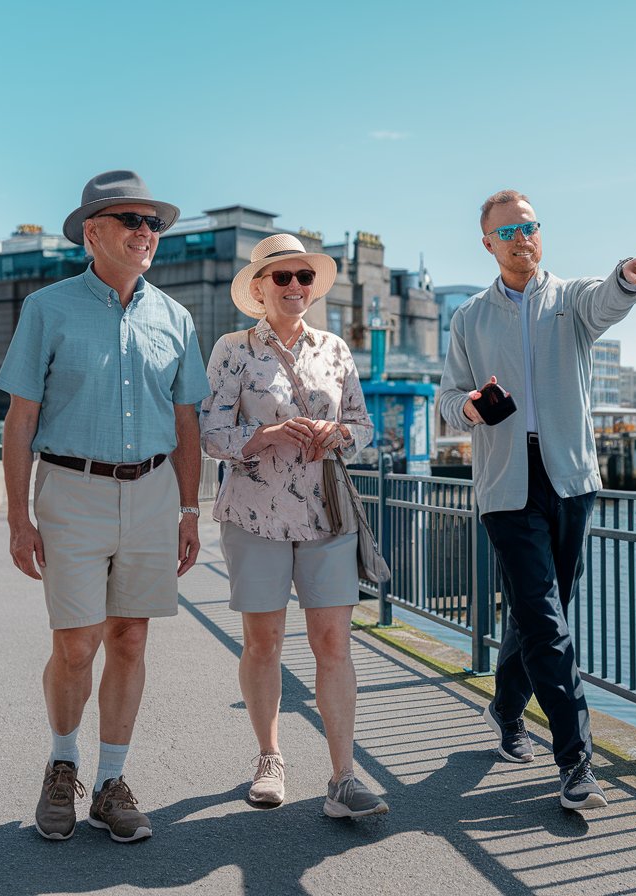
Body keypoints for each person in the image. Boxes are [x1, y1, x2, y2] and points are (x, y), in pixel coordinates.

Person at [0, 170, 210, 842]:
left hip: (151, 493)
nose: (145, 233)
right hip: (70, 491)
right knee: (76, 643)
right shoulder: (47, 308)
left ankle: (112, 782)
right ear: (93, 231)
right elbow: (20, 420)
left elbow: (187, 426)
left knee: (130, 636)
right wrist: (17, 518)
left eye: (153, 224)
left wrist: (188, 511)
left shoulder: (175, 318)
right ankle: (63, 764)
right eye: (130, 221)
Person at [439, 189, 636, 811]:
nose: (522, 238)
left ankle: (506, 709)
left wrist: (627, 279)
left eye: (530, 227)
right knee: (544, 618)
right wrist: (469, 407)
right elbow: (447, 401)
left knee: (546, 611)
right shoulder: (469, 318)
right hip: (506, 485)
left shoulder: (570, 301)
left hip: (570, 479)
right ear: (489, 244)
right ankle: (576, 761)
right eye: (508, 231)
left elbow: (607, 300)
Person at [200, 233, 388, 818]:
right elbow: (207, 433)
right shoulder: (232, 349)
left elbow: (362, 426)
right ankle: (269, 757)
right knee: (264, 642)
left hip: (326, 515)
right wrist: (267, 437)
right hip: (255, 515)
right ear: (258, 288)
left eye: (304, 277)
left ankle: (343, 777)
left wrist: (339, 435)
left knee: (332, 641)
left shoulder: (334, 349)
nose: (295, 287)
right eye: (281, 277)